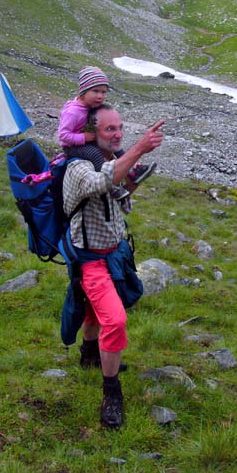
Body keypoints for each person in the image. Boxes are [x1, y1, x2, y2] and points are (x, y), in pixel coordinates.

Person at [62, 104, 164, 429]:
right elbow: (99, 184)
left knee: (95, 312)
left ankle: (90, 354)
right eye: (110, 129)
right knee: (116, 321)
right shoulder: (78, 167)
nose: (118, 134)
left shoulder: (108, 160)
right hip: (91, 261)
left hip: (113, 255)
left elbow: (117, 198)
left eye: (120, 128)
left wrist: (132, 182)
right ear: (91, 132)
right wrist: (138, 149)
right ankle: (111, 394)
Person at [57, 66, 156, 201]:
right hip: (73, 146)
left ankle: (133, 171)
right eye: (95, 91)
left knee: (113, 145)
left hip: (86, 139)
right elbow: (63, 136)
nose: (100, 96)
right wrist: (84, 137)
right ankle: (112, 186)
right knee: (96, 154)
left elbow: (89, 123)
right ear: (83, 91)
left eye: (103, 92)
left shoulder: (89, 106)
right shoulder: (73, 112)